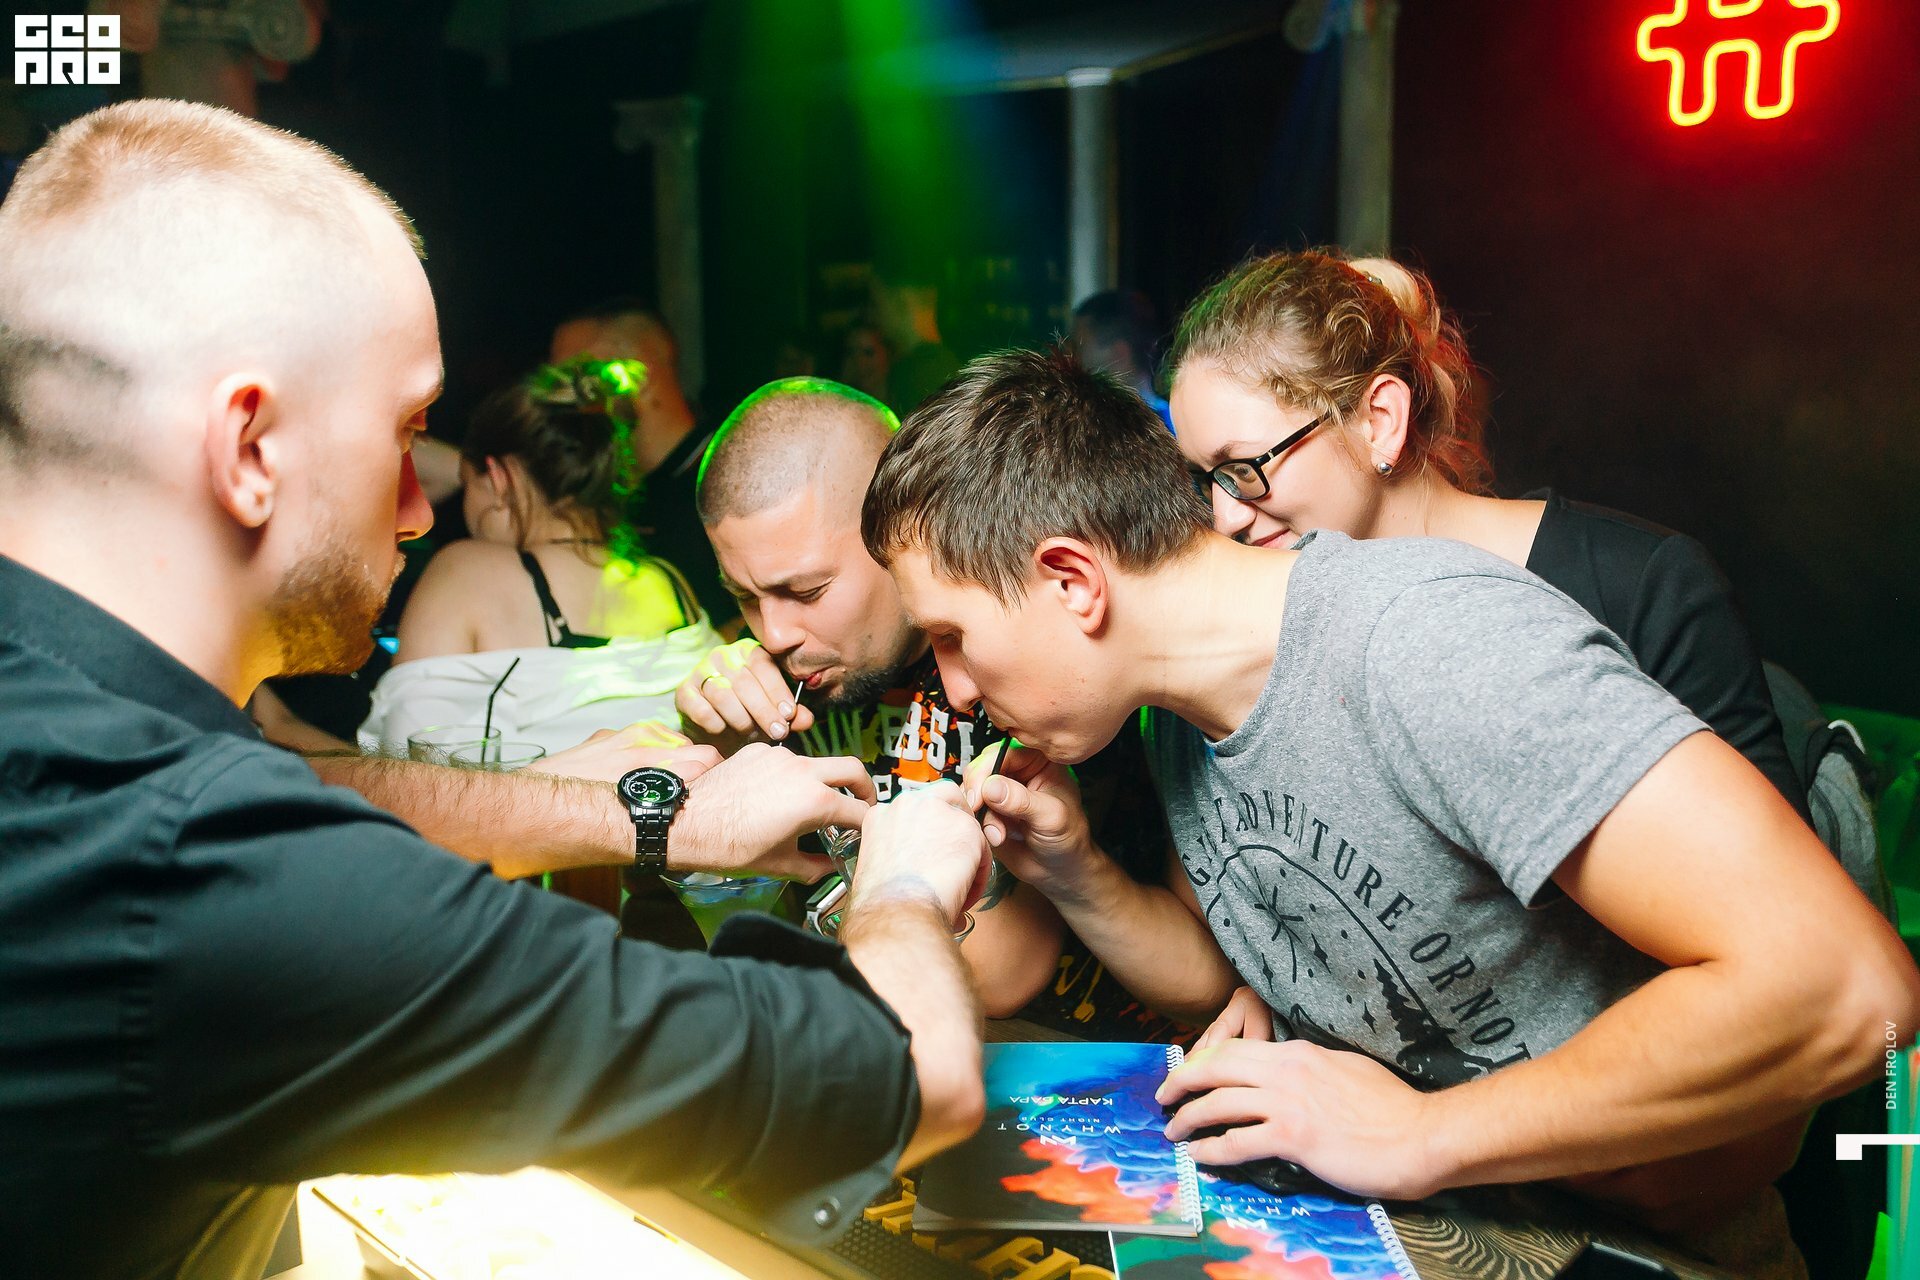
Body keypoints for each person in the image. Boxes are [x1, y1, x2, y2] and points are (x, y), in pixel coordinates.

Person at [0, 100, 987, 1279]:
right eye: (405, 429)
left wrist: (628, 808)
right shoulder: (198, 861)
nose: (420, 510)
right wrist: (906, 879)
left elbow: (307, 789)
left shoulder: (81, 737)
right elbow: (903, 1070)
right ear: (251, 447)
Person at [861, 347, 1920, 1275]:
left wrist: (1421, 1133)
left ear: (1072, 580)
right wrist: (1075, 871)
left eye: (953, 636)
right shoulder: (1175, 714)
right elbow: (1225, 972)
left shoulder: (1427, 645)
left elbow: (1841, 986)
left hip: (1631, 1256)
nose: (954, 689)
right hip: (1426, 1235)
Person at [1164, 249, 1807, 821]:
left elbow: (1780, 895)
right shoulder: (1280, 633)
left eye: (1243, 468)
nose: (1226, 518)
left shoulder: (1643, 586)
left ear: (1379, 421)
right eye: (1205, 479)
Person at [672, 377, 1182, 1038]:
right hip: (876, 1046)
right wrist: (716, 749)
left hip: (1081, 1058)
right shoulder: (780, 673)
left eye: (806, 590)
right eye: (744, 596)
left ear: (893, 531)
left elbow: (1006, 970)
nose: (773, 633)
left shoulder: (1019, 665)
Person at [360, 359, 719, 757]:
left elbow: (409, 766)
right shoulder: (669, 582)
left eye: (468, 484)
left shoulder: (465, 572)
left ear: (497, 478)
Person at [551, 297, 739, 631]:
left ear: (638, 374)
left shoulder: (730, 475)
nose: (561, 400)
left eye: (577, 377)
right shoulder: (600, 492)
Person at [1070, 288, 1173, 431]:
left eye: (1079, 348)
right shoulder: (1177, 424)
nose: (1072, 359)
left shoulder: (1097, 429)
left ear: (1119, 354)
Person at [871, 263, 960, 416]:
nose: (874, 315)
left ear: (900, 301)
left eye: (877, 303)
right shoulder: (940, 365)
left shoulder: (923, 373)